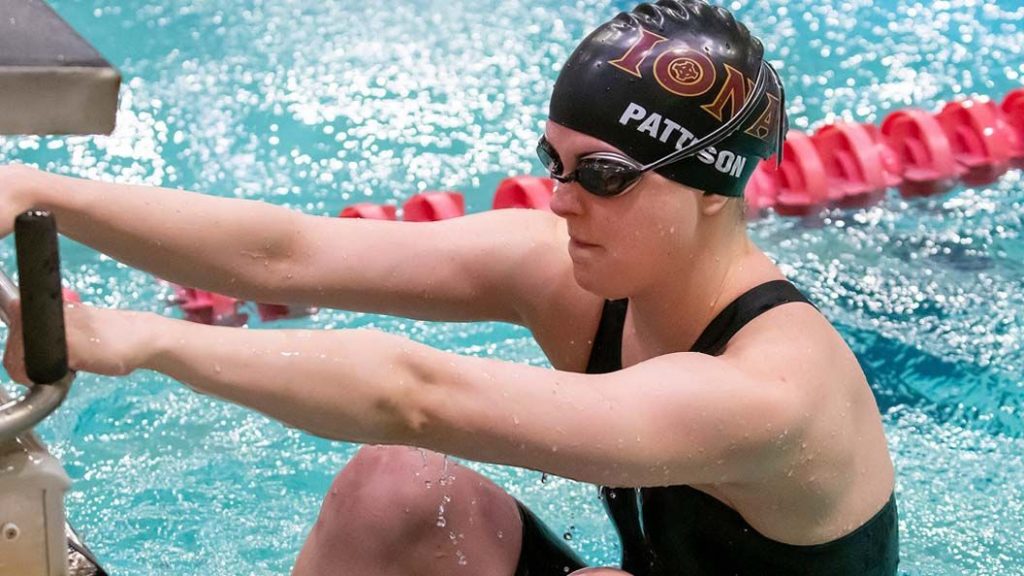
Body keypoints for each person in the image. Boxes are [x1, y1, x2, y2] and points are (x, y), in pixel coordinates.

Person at [1, 1, 899, 574]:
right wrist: (36, 193)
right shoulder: (572, 274)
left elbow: (416, 397)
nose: (561, 199)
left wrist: (150, 341)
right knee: (395, 493)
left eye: (606, 175)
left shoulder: (770, 393)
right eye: (554, 163)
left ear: (715, 191)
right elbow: (290, 256)